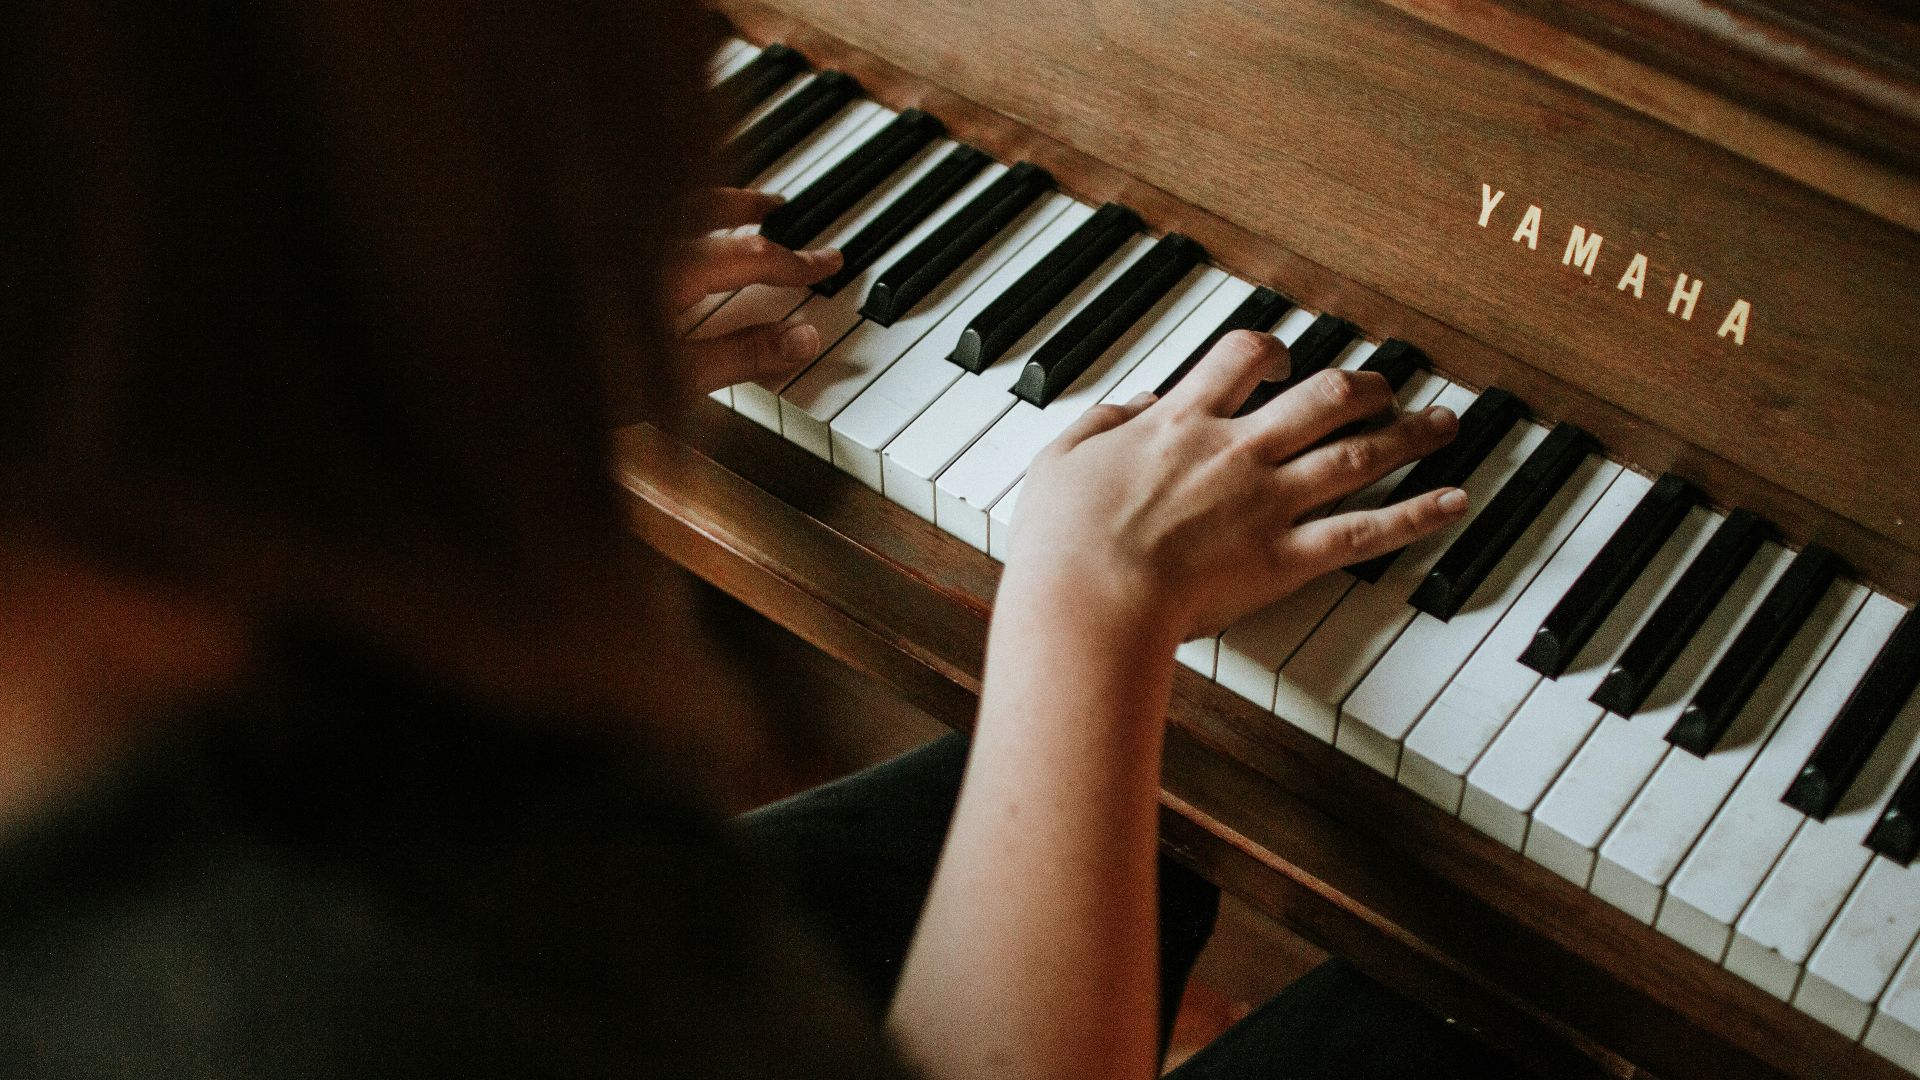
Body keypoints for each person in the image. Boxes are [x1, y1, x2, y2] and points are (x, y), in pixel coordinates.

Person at [0, 2, 1527, 1078]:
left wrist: (461, 384)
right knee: (1492, 1028)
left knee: (1168, 824)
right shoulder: (308, 994)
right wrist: (1090, 603)